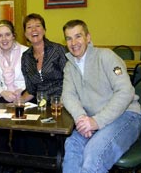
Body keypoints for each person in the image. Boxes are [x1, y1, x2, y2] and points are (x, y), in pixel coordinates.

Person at [61, 19, 141, 173]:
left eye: (78, 36)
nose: (74, 42)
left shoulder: (106, 56)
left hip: (126, 115)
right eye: (69, 38)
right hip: (92, 120)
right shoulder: (69, 66)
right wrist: (81, 119)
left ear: (88, 37)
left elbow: (126, 91)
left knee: (93, 154)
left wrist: (97, 121)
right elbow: (68, 96)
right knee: (72, 145)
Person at [19, 13, 67, 172]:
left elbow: (70, 80)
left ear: (44, 30)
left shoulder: (58, 50)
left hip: (60, 104)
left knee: (55, 140)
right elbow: (31, 89)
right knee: (30, 136)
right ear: (25, 34)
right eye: (29, 27)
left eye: (37, 25)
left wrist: (64, 100)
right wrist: (17, 102)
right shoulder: (25, 57)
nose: (34, 29)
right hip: (39, 104)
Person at [0, 19, 28, 172]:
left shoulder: (26, 52)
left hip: (24, 96)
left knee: (22, 135)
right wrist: (2, 93)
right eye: (0, 36)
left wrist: (20, 91)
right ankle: (4, 167)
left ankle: (22, 165)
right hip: (3, 96)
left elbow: (31, 78)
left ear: (14, 36)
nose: (4, 39)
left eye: (7, 35)